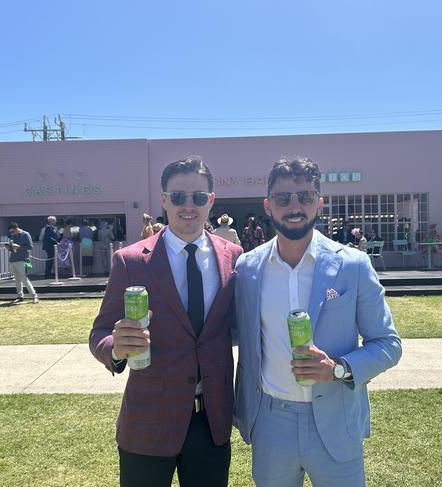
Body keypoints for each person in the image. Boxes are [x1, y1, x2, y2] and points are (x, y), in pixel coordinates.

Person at [233, 158, 402, 486]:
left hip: (336, 420)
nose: (294, 207)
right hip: (271, 422)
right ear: (268, 206)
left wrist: (338, 368)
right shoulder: (248, 269)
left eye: (305, 197)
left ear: (319, 204)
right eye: (283, 199)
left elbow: (388, 344)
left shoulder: (353, 265)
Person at [90, 156, 242, 487]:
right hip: (148, 421)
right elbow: (100, 332)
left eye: (198, 197)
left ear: (211, 201)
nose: (189, 206)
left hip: (211, 422)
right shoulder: (130, 261)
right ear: (163, 200)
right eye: (178, 197)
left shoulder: (234, 257)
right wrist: (115, 348)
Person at [6, 222, 39, 304]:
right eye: (10, 232)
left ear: (17, 228)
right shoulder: (13, 235)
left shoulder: (25, 234)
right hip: (13, 259)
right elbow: (13, 248)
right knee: (17, 279)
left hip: (22, 259)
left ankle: (34, 296)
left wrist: (19, 247)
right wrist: (9, 247)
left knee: (24, 278)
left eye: (12, 231)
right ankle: (20, 296)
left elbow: (30, 247)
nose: (11, 233)